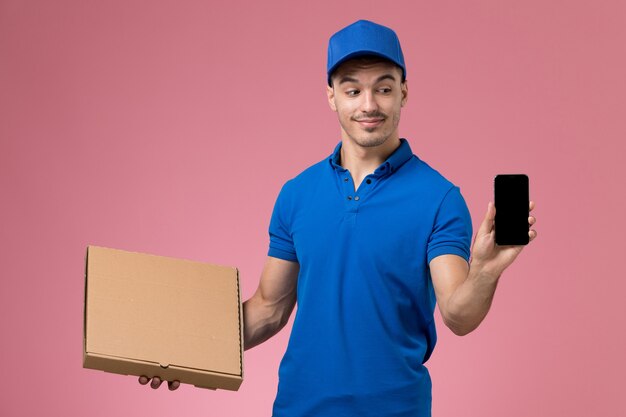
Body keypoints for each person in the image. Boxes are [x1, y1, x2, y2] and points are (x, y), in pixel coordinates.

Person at [139, 19, 537, 417]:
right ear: (331, 96)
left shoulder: (440, 198)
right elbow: (268, 309)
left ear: (404, 93)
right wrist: (183, 350)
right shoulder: (297, 193)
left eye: (383, 88)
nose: (369, 105)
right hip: (298, 409)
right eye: (353, 90)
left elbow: (457, 315)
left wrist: (484, 271)